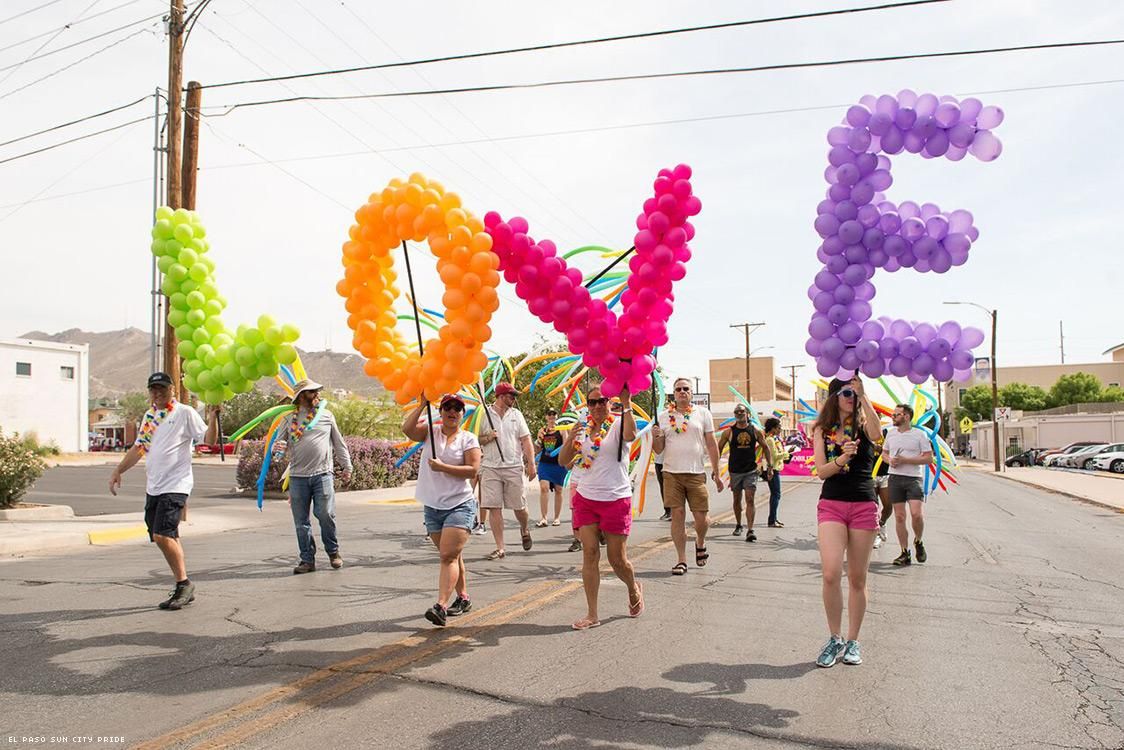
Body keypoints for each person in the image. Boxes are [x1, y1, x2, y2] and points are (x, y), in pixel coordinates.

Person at [108, 372, 218, 610]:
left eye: (162, 389)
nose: (157, 393)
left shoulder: (184, 412)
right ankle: (183, 586)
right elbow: (139, 448)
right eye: (153, 389)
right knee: (166, 535)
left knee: (162, 535)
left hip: (175, 484)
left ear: (172, 390)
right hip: (154, 486)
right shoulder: (150, 416)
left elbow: (207, 440)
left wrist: (212, 418)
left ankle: (184, 583)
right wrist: (119, 470)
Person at [811, 375, 882, 667]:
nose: (850, 396)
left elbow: (878, 435)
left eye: (855, 392)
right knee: (830, 573)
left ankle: (853, 641)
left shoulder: (865, 425)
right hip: (833, 504)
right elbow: (821, 471)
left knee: (857, 577)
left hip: (864, 503)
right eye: (846, 392)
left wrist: (864, 396)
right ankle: (835, 637)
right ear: (834, 396)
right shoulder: (821, 429)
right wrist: (841, 458)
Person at [560, 385, 643, 629]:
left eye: (601, 401)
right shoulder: (581, 429)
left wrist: (626, 402)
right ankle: (592, 614)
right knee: (590, 553)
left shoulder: (618, 424)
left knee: (617, 560)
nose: (596, 406)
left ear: (609, 403)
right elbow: (564, 462)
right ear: (587, 405)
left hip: (616, 499)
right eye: (592, 402)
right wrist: (570, 439)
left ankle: (633, 587)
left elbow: (630, 435)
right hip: (586, 498)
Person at [403, 395, 481, 627]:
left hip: (460, 504)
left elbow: (473, 470)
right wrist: (421, 405)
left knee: (447, 556)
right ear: (440, 411)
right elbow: (407, 429)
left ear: (462, 413)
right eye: (447, 407)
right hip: (433, 505)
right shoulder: (431, 432)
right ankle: (464, 597)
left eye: (457, 408)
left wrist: (442, 467)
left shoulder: (468, 438)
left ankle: (441, 606)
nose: (452, 411)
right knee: (453, 555)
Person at [273, 379, 352, 574]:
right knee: (301, 522)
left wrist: (347, 466)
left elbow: (339, 443)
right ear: (301, 396)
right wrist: (278, 451)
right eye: (312, 392)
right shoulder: (287, 420)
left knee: (325, 514)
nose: (317, 395)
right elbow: (279, 445)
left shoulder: (326, 416)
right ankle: (307, 560)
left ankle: (333, 551)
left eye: (317, 391)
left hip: (322, 474)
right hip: (298, 477)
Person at [652, 378, 723, 575]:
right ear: (673, 394)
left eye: (686, 389)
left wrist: (716, 472)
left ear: (691, 393)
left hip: (696, 472)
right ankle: (681, 560)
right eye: (678, 389)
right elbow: (659, 449)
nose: (682, 392)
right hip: (671, 473)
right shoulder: (664, 417)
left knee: (702, 518)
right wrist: (655, 436)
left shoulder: (703, 414)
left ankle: (700, 542)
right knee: (677, 515)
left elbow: (711, 444)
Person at [478, 382, 537, 559]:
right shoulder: (484, 414)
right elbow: (476, 438)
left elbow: (526, 440)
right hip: (490, 467)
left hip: (513, 466)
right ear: (501, 396)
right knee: (494, 507)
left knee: (519, 507)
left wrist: (531, 463)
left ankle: (524, 528)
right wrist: (489, 437)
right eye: (511, 395)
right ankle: (500, 547)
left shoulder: (516, 415)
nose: (514, 398)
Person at [885, 404, 934, 566]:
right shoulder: (890, 434)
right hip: (894, 478)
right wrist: (889, 460)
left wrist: (906, 460)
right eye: (893, 415)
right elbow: (885, 453)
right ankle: (904, 552)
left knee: (916, 514)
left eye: (896, 415)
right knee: (899, 516)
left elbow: (928, 458)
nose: (893, 417)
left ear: (906, 417)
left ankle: (918, 541)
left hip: (913, 478)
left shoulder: (919, 435)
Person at [717, 406, 772, 540]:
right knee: (737, 499)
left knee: (750, 499)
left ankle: (750, 530)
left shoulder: (755, 431)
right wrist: (715, 469)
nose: (739, 414)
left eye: (742, 412)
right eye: (736, 412)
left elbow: (766, 447)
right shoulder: (729, 432)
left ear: (747, 414)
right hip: (735, 471)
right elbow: (718, 449)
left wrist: (769, 466)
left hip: (750, 470)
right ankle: (738, 524)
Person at [534, 409, 566, 527]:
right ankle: (544, 518)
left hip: (558, 464)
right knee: (544, 488)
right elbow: (537, 448)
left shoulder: (562, 430)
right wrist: (538, 440)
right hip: (545, 463)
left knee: (558, 490)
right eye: (549, 414)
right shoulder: (542, 431)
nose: (552, 416)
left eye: (554, 414)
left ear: (557, 416)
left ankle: (557, 517)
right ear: (546, 417)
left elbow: (566, 445)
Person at [763, 418, 787, 528]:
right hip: (772, 470)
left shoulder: (774, 439)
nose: (780, 430)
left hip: (775, 468)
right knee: (775, 494)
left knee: (776, 494)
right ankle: (772, 520)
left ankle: (774, 518)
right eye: (778, 428)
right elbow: (774, 456)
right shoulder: (770, 440)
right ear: (772, 428)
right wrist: (787, 453)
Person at [872, 428, 892, 550]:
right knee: (873, 507)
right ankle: (875, 533)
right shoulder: (866, 432)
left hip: (885, 474)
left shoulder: (887, 433)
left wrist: (883, 449)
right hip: (870, 475)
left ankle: (882, 523)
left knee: (889, 505)